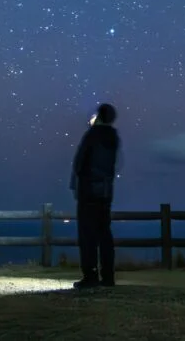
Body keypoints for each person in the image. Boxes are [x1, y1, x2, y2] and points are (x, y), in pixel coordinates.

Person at [69, 102, 120, 289]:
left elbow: (79, 164)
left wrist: (78, 183)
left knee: (87, 235)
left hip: (89, 191)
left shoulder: (92, 136)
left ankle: (90, 276)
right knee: (105, 234)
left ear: (99, 116)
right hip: (106, 192)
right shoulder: (114, 138)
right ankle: (108, 277)